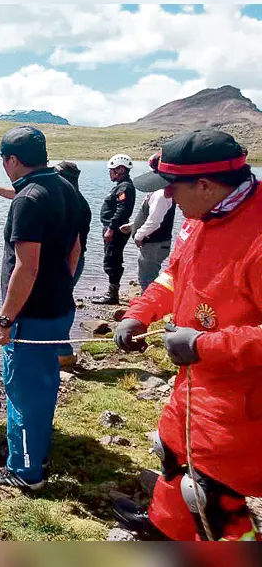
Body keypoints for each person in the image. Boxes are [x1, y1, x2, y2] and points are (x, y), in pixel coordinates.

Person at [113, 129, 262, 541]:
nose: (168, 196)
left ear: (205, 185)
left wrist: (202, 345)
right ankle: (166, 528)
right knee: (174, 454)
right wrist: (138, 315)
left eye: (172, 187)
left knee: (214, 493)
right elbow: (172, 277)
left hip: (242, 398)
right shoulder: (201, 218)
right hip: (194, 383)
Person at [0, 126, 81, 489]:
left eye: (4, 161)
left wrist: (5, 319)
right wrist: (62, 287)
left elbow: (26, 267)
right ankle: (37, 454)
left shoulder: (27, 200)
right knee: (45, 383)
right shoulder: (65, 189)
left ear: (12, 160)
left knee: (23, 393)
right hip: (60, 307)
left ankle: (25, 472)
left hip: (30, 315)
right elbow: (75, 250)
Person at [0, 161, 91, 367]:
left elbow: (72, 250)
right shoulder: (68, 195)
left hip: (61, 265)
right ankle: (59, 354)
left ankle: (62, 353)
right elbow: (21, 194)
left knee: (47, 313)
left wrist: (4, 320)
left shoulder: (59, 199)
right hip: (63, 266)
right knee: (58, 307)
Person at [93, 154, 136, 304]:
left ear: (120, 170)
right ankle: (112, 292)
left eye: (111, 170)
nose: (110, 173)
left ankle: (112, 295)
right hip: (114, 228)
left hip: (116, 230)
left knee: (112, 260)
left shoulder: (125, 187)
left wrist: (111, 228)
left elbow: (122, 210)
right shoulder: (121, 186)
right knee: (111, 259)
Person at [120, 186, 177, 293]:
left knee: (147, 280)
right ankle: (150, 300)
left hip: (154, 244)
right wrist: (133, 225)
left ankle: (151, 302)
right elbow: (151, 216)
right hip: (153, 244)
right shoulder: (156, 193)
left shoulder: (161, 195)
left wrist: (138, 235)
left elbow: (154, 222)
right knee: (147, 277)